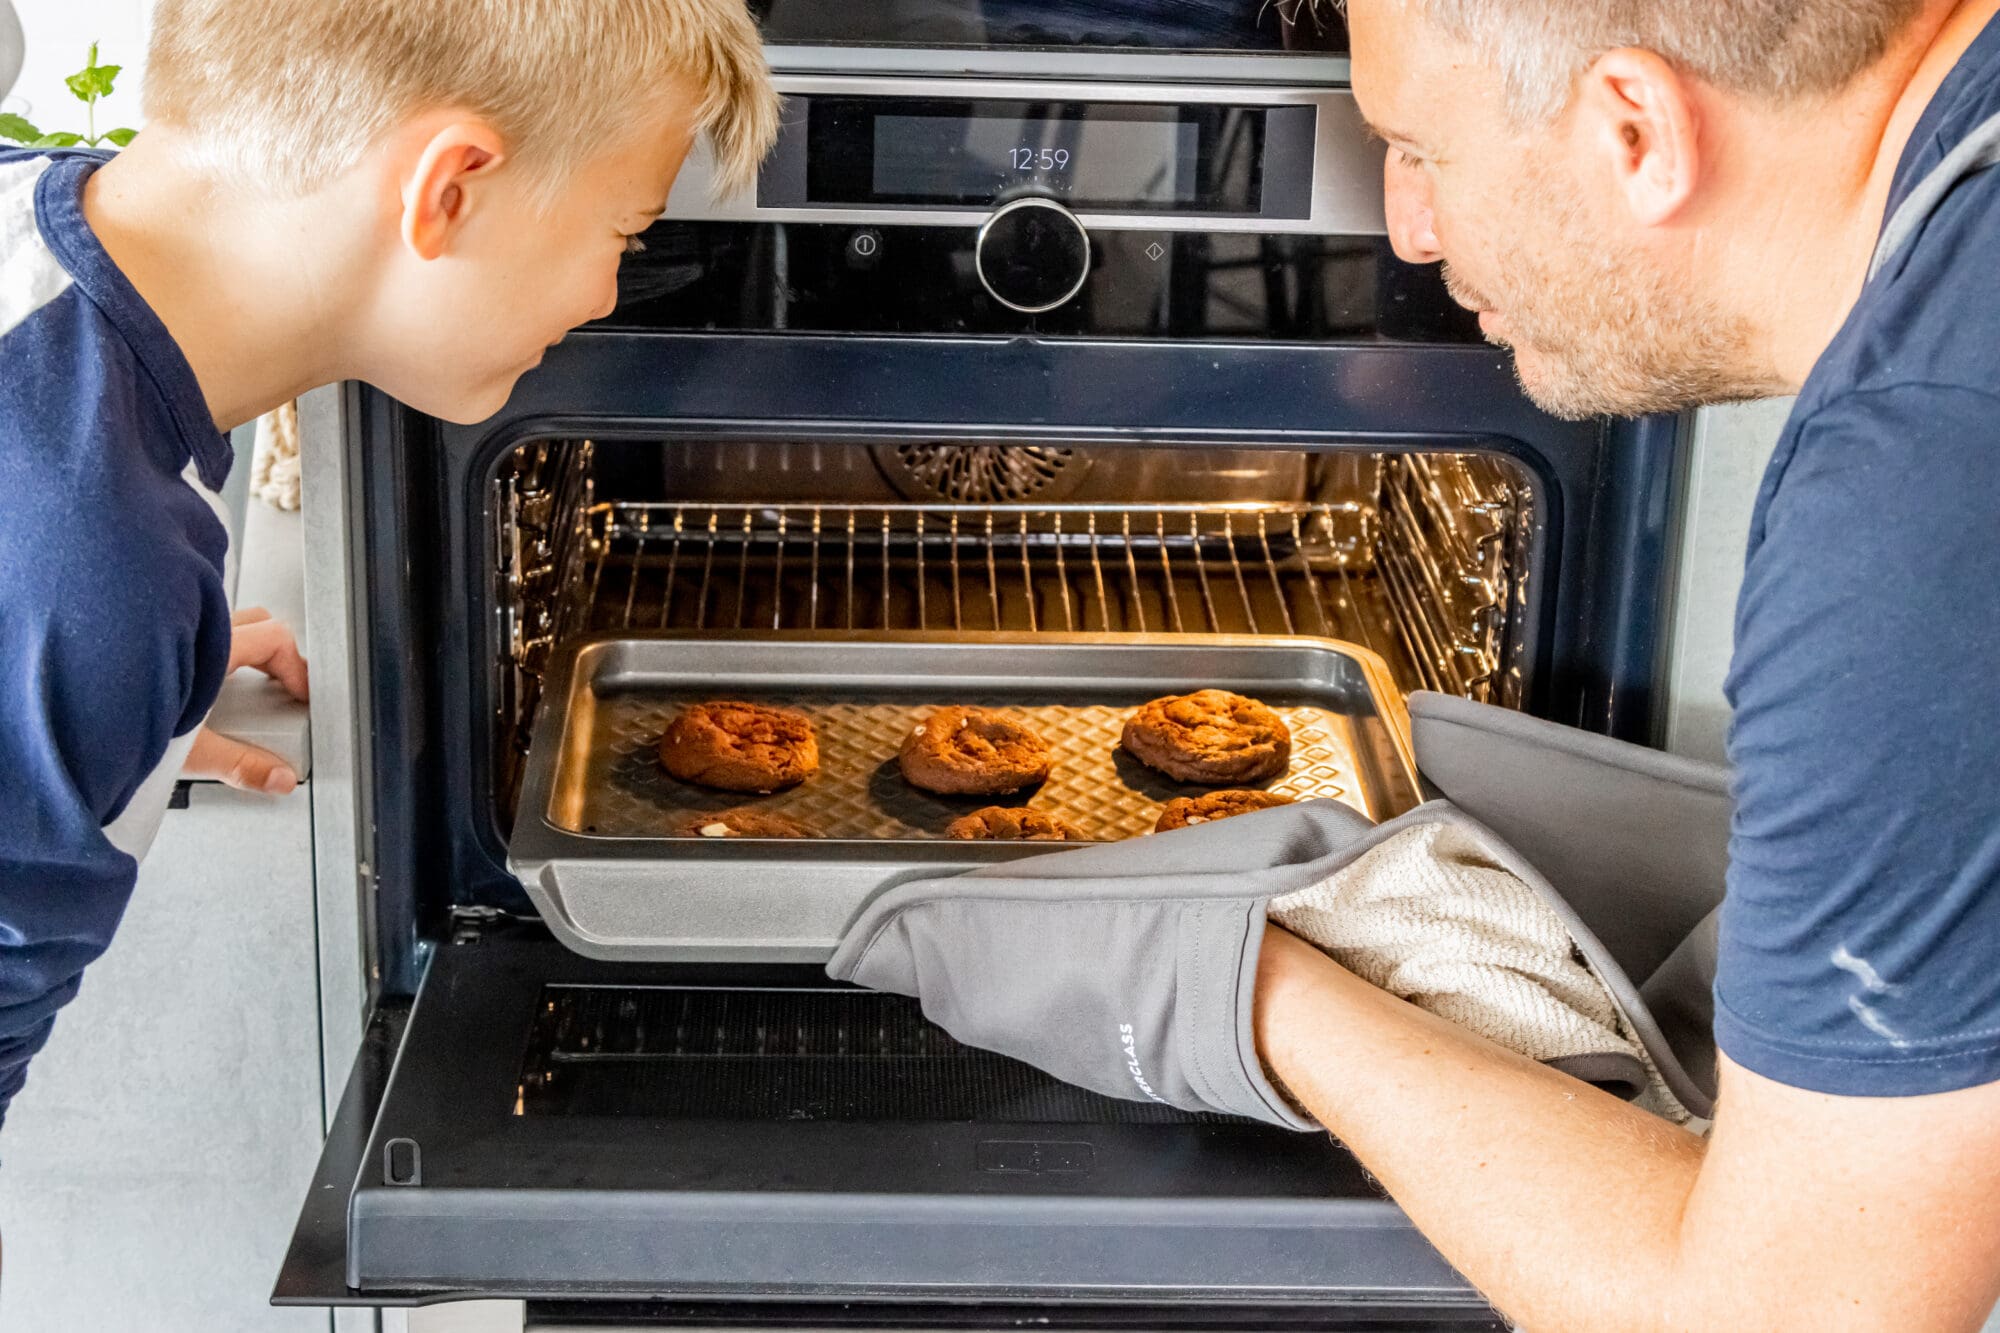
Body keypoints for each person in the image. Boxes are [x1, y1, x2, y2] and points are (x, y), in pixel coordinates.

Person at [844, 0, 2000, 1326]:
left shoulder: (1923, 491)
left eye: (1422, 148)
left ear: (1636, 132)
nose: (1408, 229)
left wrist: (1245, 972)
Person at [0, 0, 776, 1139]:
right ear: (447, 189)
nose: (606, 296)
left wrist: (85, 702)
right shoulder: (84, 557)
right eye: (623, 235)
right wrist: (84, 652)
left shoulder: (42, 243)